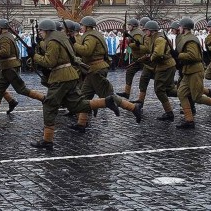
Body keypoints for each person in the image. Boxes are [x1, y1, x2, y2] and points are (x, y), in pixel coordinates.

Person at [29, 20, 141, 150]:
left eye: (41, 31)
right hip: (80, 72)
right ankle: (82, 123)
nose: (80, 27)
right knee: (81, 100)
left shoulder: (89, 36)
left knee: (49, 105)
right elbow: (58, 49)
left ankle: (132, 107)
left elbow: (83, 52)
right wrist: (40, 44)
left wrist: (34, 56)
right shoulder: (61, 37)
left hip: (88, 70)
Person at [0, 19, 45, 122]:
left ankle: (43, 98)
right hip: (5, 67)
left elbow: (5, 52)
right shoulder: (7, 36)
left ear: (2, 28)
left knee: (21, 89)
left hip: (9, 68)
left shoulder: (5, 38)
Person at [175, 18, 211, 128]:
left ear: (185, 27)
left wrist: (178, 55)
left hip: (195, 71)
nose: (179, 28)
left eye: (180, 26)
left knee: (197, 97)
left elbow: (193, 56)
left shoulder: (190, 40)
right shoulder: (186, 38)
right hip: (188, 71)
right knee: (181, 93)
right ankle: (189, 121)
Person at [143, 20, 177, 122]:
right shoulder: (155, 38)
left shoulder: (159, 39)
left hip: (165, 67)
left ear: (151, 30)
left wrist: (150, 58)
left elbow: (158, 54)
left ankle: (169, 113)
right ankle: (187, 95)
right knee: (169, 90)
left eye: (146, 30)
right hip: (165, 66)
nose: (145, 32)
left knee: (159, 89)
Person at [117, 18, 145, 99]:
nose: (128, 26)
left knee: (150, 75)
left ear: (134, 26)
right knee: (129, 72)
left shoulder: (137, 33)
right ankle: (127, 92)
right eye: (128, 25)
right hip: (136, 58)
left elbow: (138, 46)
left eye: (129, 25)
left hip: (141, 58)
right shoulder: (133, 32)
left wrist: (129, 43)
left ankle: (169, 84)